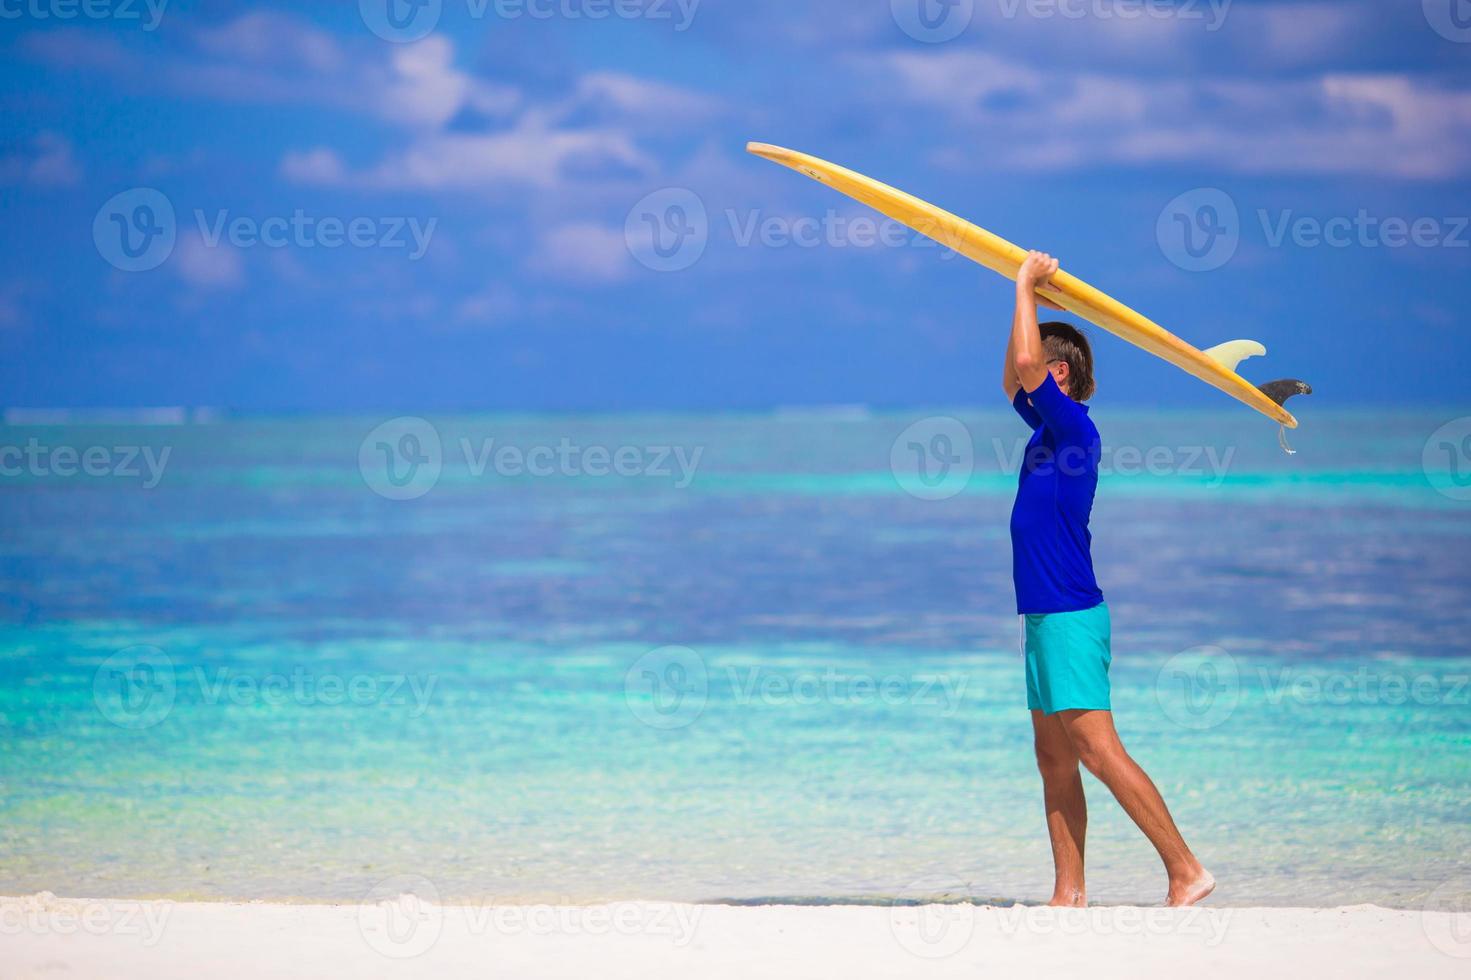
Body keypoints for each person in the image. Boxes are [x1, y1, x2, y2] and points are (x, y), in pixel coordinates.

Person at [1004, 250, 1215, 908]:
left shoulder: (1072, 426)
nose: (1029, 381)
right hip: (1043, 615)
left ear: (1059, 374)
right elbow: (1013, 379)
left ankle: (1184, 869)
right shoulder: (1045, 427)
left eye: (1042, 366)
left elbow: (1022, 367)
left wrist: (1022, 284)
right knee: (1052, 757)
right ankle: (1068, 891)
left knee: (1095, 749)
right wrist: (1028, 305)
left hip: (1067, 614)